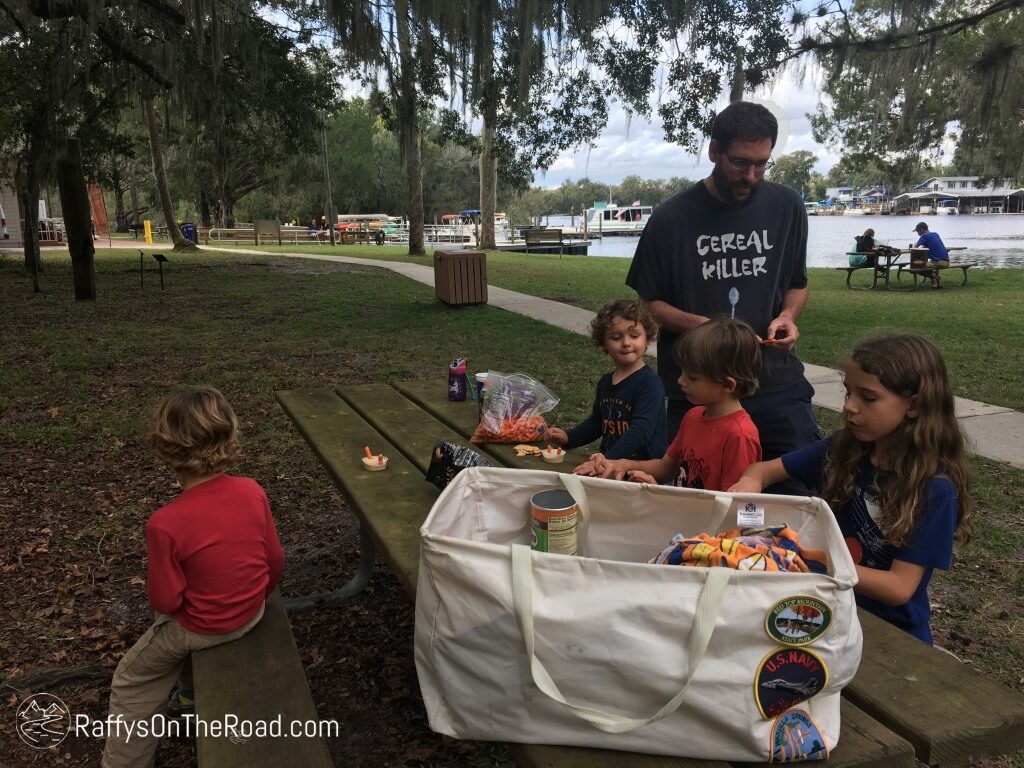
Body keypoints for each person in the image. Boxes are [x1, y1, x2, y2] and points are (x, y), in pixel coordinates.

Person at [625, 100, 820, 494]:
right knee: (699, 500)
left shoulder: (787, 207)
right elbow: (651, 303)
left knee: (800, 495)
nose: (751, 175)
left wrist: (788, 316)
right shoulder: (670, 218)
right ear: (714, 151)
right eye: (740, 162)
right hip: (699, 393)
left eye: (762, 164)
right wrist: (705, 328)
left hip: (776, 386)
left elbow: (797, 282)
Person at [729, 334, 973, 644]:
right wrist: (750, 488)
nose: (849, 407)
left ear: (914, 405)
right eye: (847, 392)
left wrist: (810, 562)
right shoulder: (842, 449)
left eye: (867, 398)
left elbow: (898, 588)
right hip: (824, 611)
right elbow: (764, 470)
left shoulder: (934, 489)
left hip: (890, 638)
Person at [102, 387, 285, 768]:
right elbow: (275, 561)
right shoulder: (252, 491)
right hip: (251, 612)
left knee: (131, 682)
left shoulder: (164, 525)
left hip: (205, 626)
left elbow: (167, 602)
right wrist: (249, 598)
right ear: (229, 436)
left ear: (165, 448)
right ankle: (188, 698)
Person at [576, 318, 761, 492]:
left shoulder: (739, 437)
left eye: (693, 377)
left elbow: (732, 507)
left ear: (728, 385)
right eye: (682, 372)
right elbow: (666, 467)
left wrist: (667, 499)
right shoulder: (693, 416)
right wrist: (624, 464)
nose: (681, 380)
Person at [547, 299, 666, 462]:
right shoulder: (605, 382)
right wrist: (569, 438)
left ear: (647, 338)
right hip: (610, 468)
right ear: (604, 343)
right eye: (616, 337)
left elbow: (641, 431)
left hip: (642, 473)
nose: (626, 343)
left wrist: (608, 459)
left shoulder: (650, 384)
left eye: (634, 335)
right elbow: (597, 423)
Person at [911, 221, 950, 288]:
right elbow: (930, 245)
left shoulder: (924, 235)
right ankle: (935, 282)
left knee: (916, 267)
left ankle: (936, 278)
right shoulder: (935, 234)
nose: (918, 234)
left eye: (918, 232)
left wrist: (914, 245)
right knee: (925, 264)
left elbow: (915, 248)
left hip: (939, 262)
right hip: (947, 261)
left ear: (922, 230)